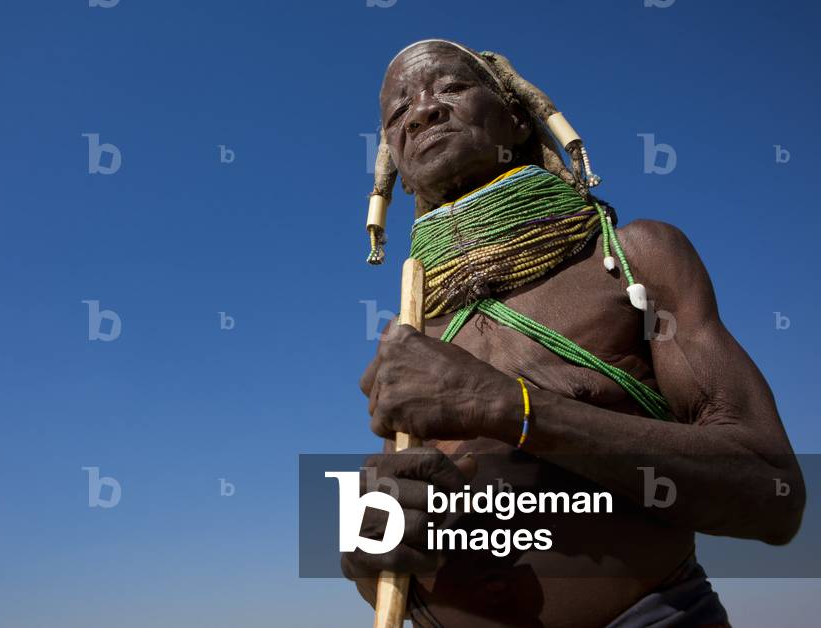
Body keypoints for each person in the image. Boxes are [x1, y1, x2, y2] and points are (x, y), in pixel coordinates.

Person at [343, 39, 805, 627]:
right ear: (395, 166)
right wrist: (367, 548)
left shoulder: (631, 259)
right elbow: (386, 566)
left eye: (453, 87)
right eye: (397, 110)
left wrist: (505, 406)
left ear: (514, 115)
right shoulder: (411, 331)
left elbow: (772, 491)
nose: (423, 110)